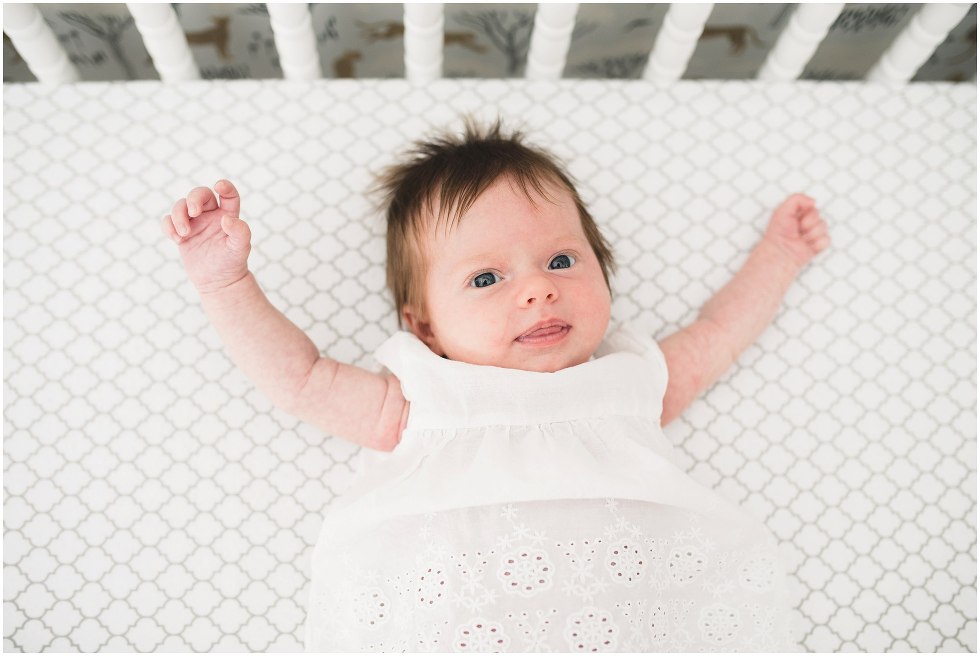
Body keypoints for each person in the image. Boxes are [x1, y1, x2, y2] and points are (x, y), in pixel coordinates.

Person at [162, 119, 829, 651]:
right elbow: (300, 379)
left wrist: (779, 256)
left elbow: (717, 332)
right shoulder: (424, 399)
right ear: (423, 327)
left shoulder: (628, 381)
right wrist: (225, 282)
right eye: (487, 279)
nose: (540, 288)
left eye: (562, 260)